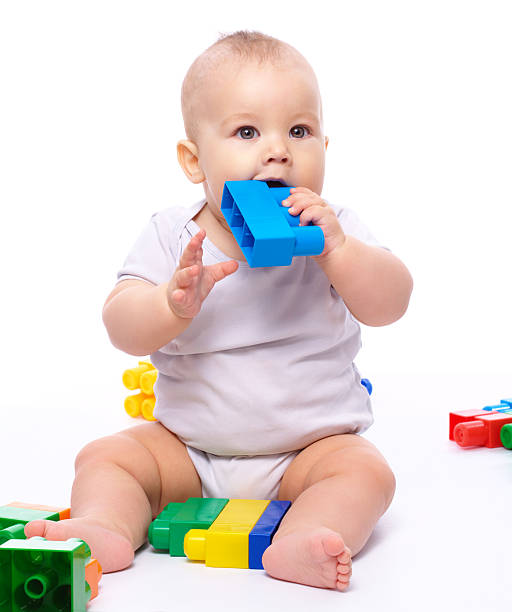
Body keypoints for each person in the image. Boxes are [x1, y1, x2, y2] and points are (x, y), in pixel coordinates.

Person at [25, 30, 413, 591]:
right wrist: (169, 304)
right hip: (186, 449)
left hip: (308, 451)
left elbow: (391, 303)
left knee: (366, 472)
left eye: (299, 131)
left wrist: (341, 255)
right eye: (247, 131)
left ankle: (309, 533)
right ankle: (105, 525)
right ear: (194, 159)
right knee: (108, 456)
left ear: (325, 150)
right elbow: (120, 325)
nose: (278, 149)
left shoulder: (336, 231)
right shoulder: (170, 235)